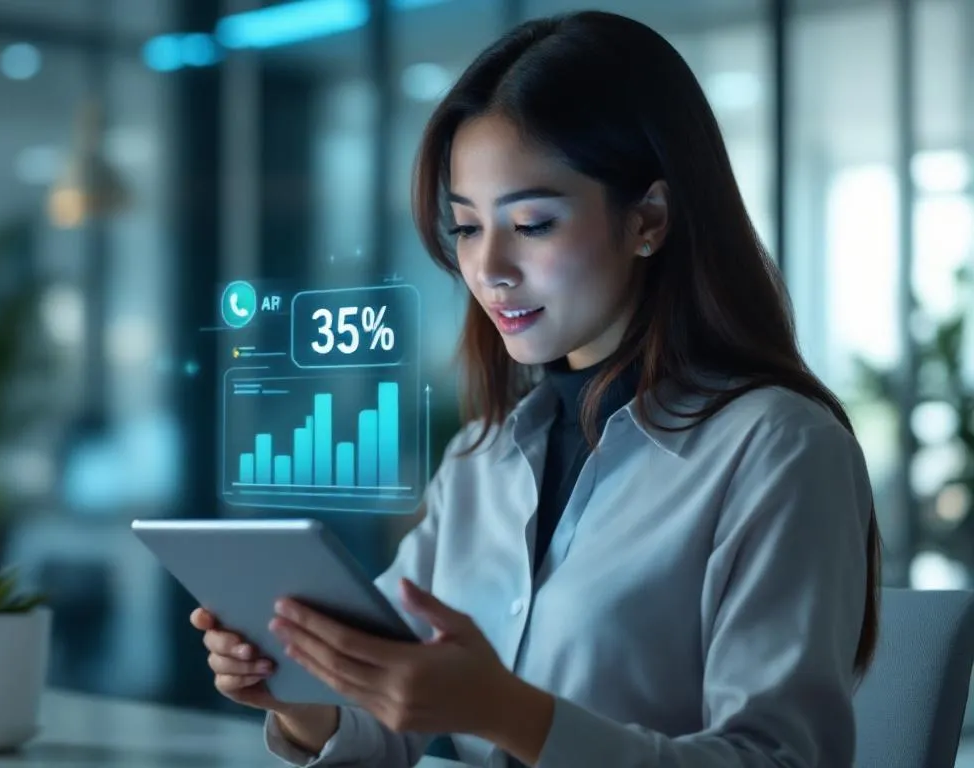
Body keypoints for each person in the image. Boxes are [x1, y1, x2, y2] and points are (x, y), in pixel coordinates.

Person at [190, 9, 880, 767]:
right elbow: (390, 724)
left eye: (533, 223)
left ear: (648, 217)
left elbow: (780, 760)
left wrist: (508, 713)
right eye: (467, 228)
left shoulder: (779, 449)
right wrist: (302, 696)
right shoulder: (479, 460)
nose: (489, 270)